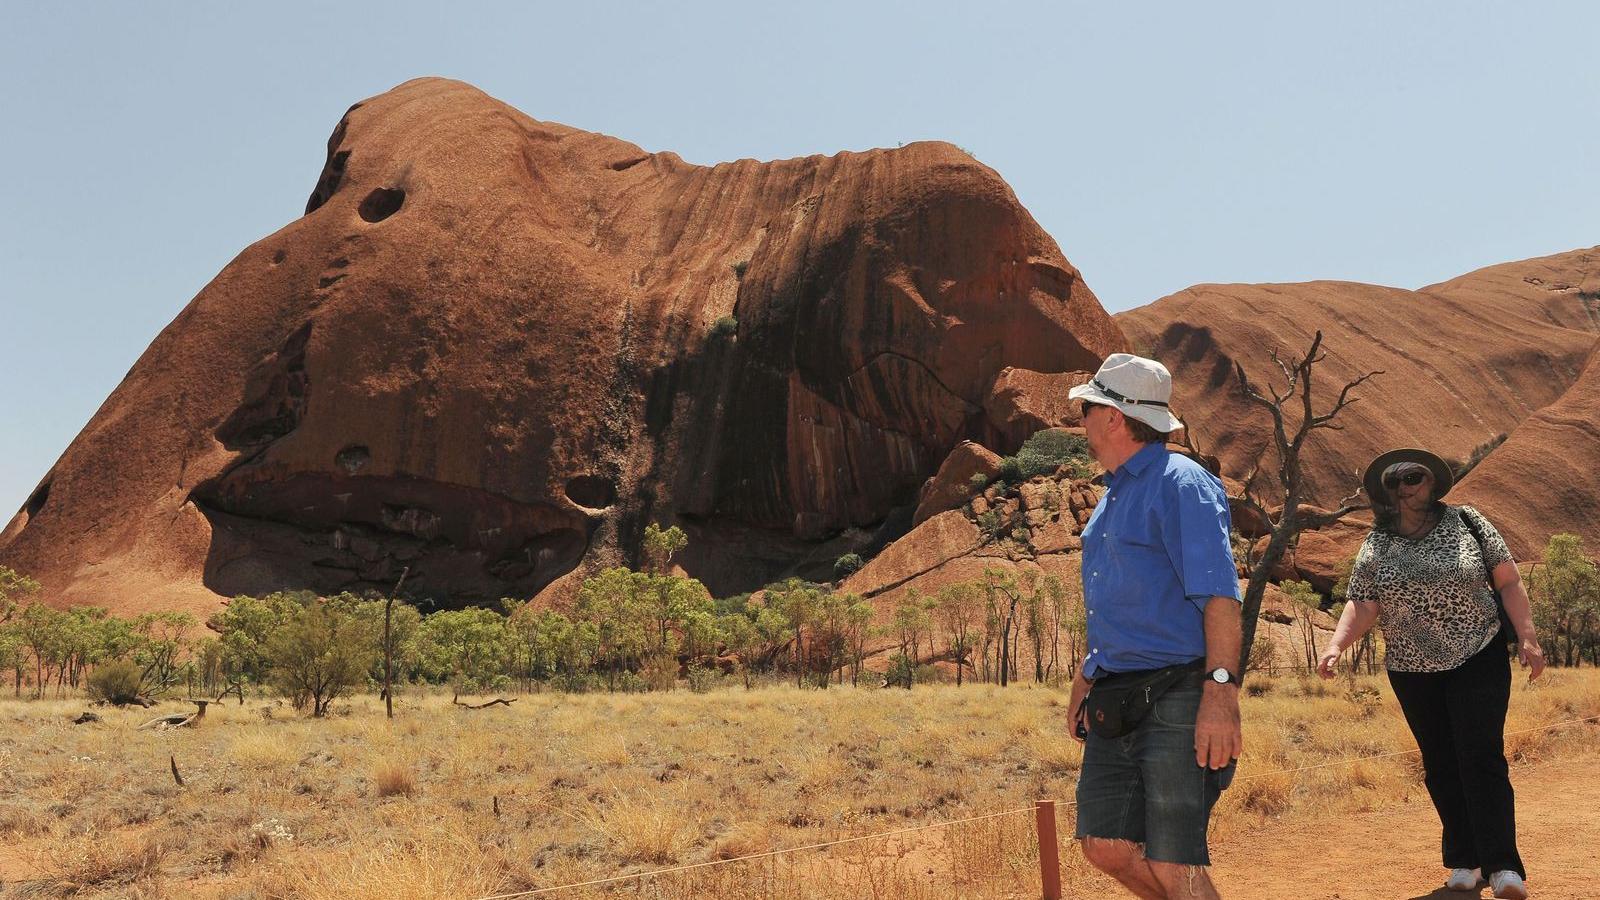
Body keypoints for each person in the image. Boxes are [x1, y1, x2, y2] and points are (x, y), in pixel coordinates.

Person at [1318, 448, 1545, 900]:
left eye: (1414, 477)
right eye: (1395, 480)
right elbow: (1363, 603)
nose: (1406, 486)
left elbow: (1508, 580)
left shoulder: (1468, 523)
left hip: (1476, 653)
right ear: (1386, 490)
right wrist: (1336, 644)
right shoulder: (1378, 542)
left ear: (1432, 481)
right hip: (1411, 667)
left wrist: (1528, 636)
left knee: (1480, 756)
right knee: (1441, 764)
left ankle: (1503, 866)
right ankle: (1465, 860)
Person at [1065, 353, 1243, 900]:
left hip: (1178, 694)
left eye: (1088, 409)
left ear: (1114, 418)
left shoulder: (1180, 483)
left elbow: (1219, 596)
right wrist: (1084, 680)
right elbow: (1118, 603)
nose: (1083, 421)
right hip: (1115, 692)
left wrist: (1219, 693)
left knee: (1173, 861)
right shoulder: (1114, 493)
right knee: (1104, 844)